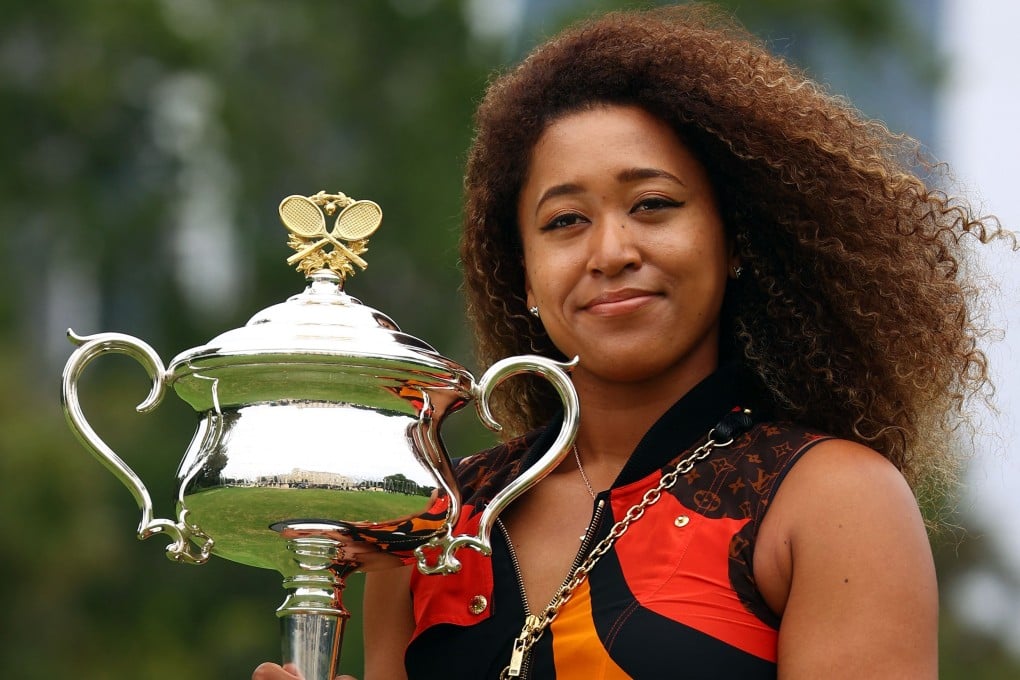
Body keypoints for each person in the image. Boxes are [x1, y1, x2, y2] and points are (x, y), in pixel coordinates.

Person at [254, 4, 1007, 678]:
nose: (610, 250)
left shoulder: (835, 502)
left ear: (733, 241)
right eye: (565, 221)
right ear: (522, 276)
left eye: (653, 205)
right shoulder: (433, 514)